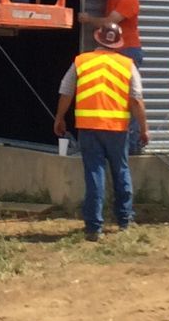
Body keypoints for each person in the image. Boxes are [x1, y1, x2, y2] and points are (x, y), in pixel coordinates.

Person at [53, 21, 148, 241]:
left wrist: (59, 118)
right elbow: (136, 100)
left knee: (94, 174)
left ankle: (94, 227)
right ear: (117, 43)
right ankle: (125, 220)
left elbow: (66, 91)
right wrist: (144, 128)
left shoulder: (81, 61)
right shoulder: (127, 64)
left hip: (88, 129)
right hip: (116, 130)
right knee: (121, 171)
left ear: (98, 38)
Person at [83, 0, 144, 150]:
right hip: (116, 51)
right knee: (115, 97)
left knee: (129, 98)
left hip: (128, 51)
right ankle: (117, 141)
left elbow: (109, 22)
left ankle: (133, 144)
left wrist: (88, 19)